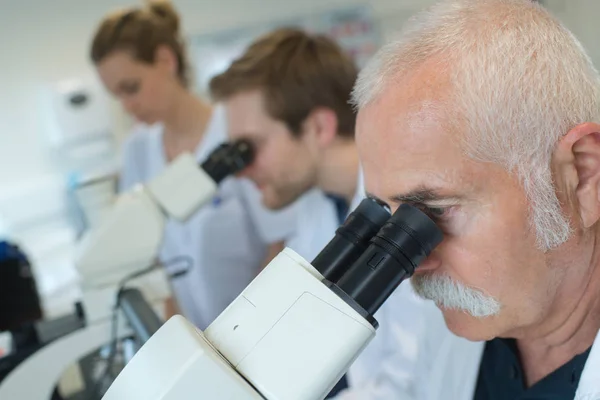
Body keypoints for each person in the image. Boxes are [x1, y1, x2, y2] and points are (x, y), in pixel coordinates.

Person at [352, 0, 600, 398]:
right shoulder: (465, 321)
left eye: (433, 211)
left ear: (582, 176)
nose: (412, 265)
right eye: (392, 218)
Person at [209, 27, 438, 398]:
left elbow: (413, 382)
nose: (240, 169)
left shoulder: (409, 214)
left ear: (318, 127)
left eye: (250, 148)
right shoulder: (320, 207)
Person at [89, 1, 300, 330]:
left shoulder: (233, 132)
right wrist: (181, 337)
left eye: (132, 88)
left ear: (165, 60)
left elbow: (278, 243)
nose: (128, 106)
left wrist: (243, 328)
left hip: (262, 325)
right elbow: (153, 257)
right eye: (117, 96)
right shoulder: (138, 150)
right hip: (196, 331)